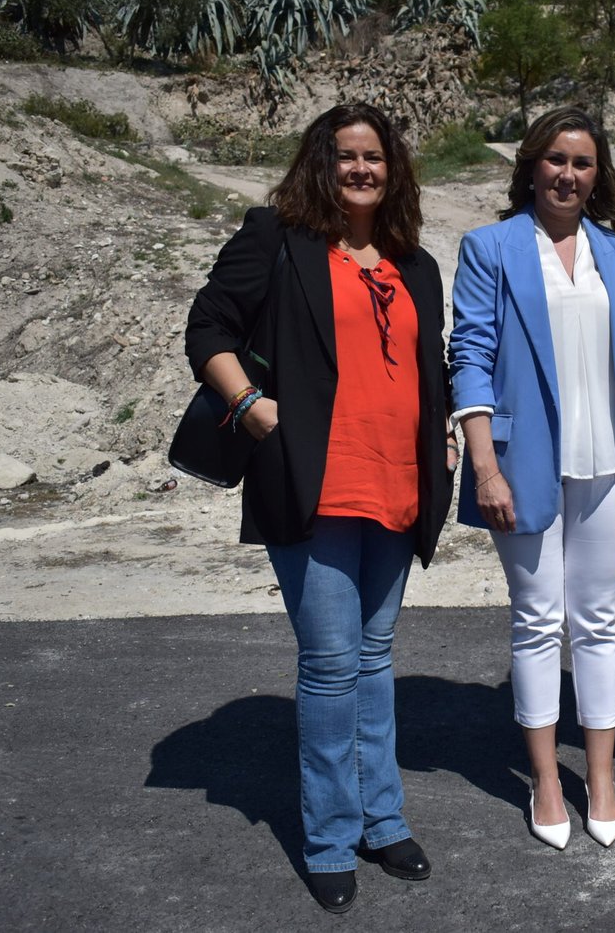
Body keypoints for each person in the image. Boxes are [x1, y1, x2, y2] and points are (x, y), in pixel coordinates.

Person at [185, 103, 453, 912]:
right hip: (314, 482)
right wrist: (251, 408)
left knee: (374, 659)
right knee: (333, 666)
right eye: (346, 157)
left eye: (375, 157)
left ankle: (382, 819)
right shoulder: (277, 237)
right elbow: (208, 327)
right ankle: (332, 835)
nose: (361, 170)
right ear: (320, 163)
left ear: (393, 169)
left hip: (396, 486)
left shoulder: (416, 265)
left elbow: (426, 370)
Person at [449, 106, 615, 850]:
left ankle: (600, 777)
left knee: (596, 620)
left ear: (599, 175)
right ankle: (543, 780)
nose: (569, 174)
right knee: (538, 619)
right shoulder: (490, 247)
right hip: (524, 465)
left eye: (584, 163)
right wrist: (484, 466)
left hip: (609, 462)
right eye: (556, 159)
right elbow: (467, 353)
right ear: (531, 165)